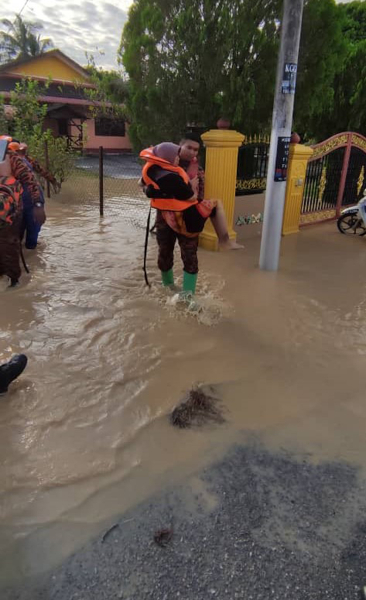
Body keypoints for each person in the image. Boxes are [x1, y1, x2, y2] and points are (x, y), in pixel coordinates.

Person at [140, 142, 240, 296]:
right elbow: (143, 184)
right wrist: (153, 192)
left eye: (196, 149)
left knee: (190, 256)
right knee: (164, 253)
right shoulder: (160, 163)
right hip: (164, 217)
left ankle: (188, 297)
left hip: (188, 217)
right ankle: (168, 288)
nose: (192, 152)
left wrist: (191, 190)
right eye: (188, 148)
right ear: (180, 146)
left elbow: (198, 194)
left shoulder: (197, 169)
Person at [0, 136, 44, 287]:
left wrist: (38, 205)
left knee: (10, 244)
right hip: (13, 208)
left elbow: (30, 180)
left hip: (11, 213)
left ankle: (14, 282)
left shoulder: (12, 159)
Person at [16, 143, 57, 249]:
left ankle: (29, 250)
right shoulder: (13, 162)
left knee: (29, 231)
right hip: (22, 202)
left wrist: (38, 204)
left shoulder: (24, 162)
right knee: (23, 231)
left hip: (29, 201)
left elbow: (33, 181)